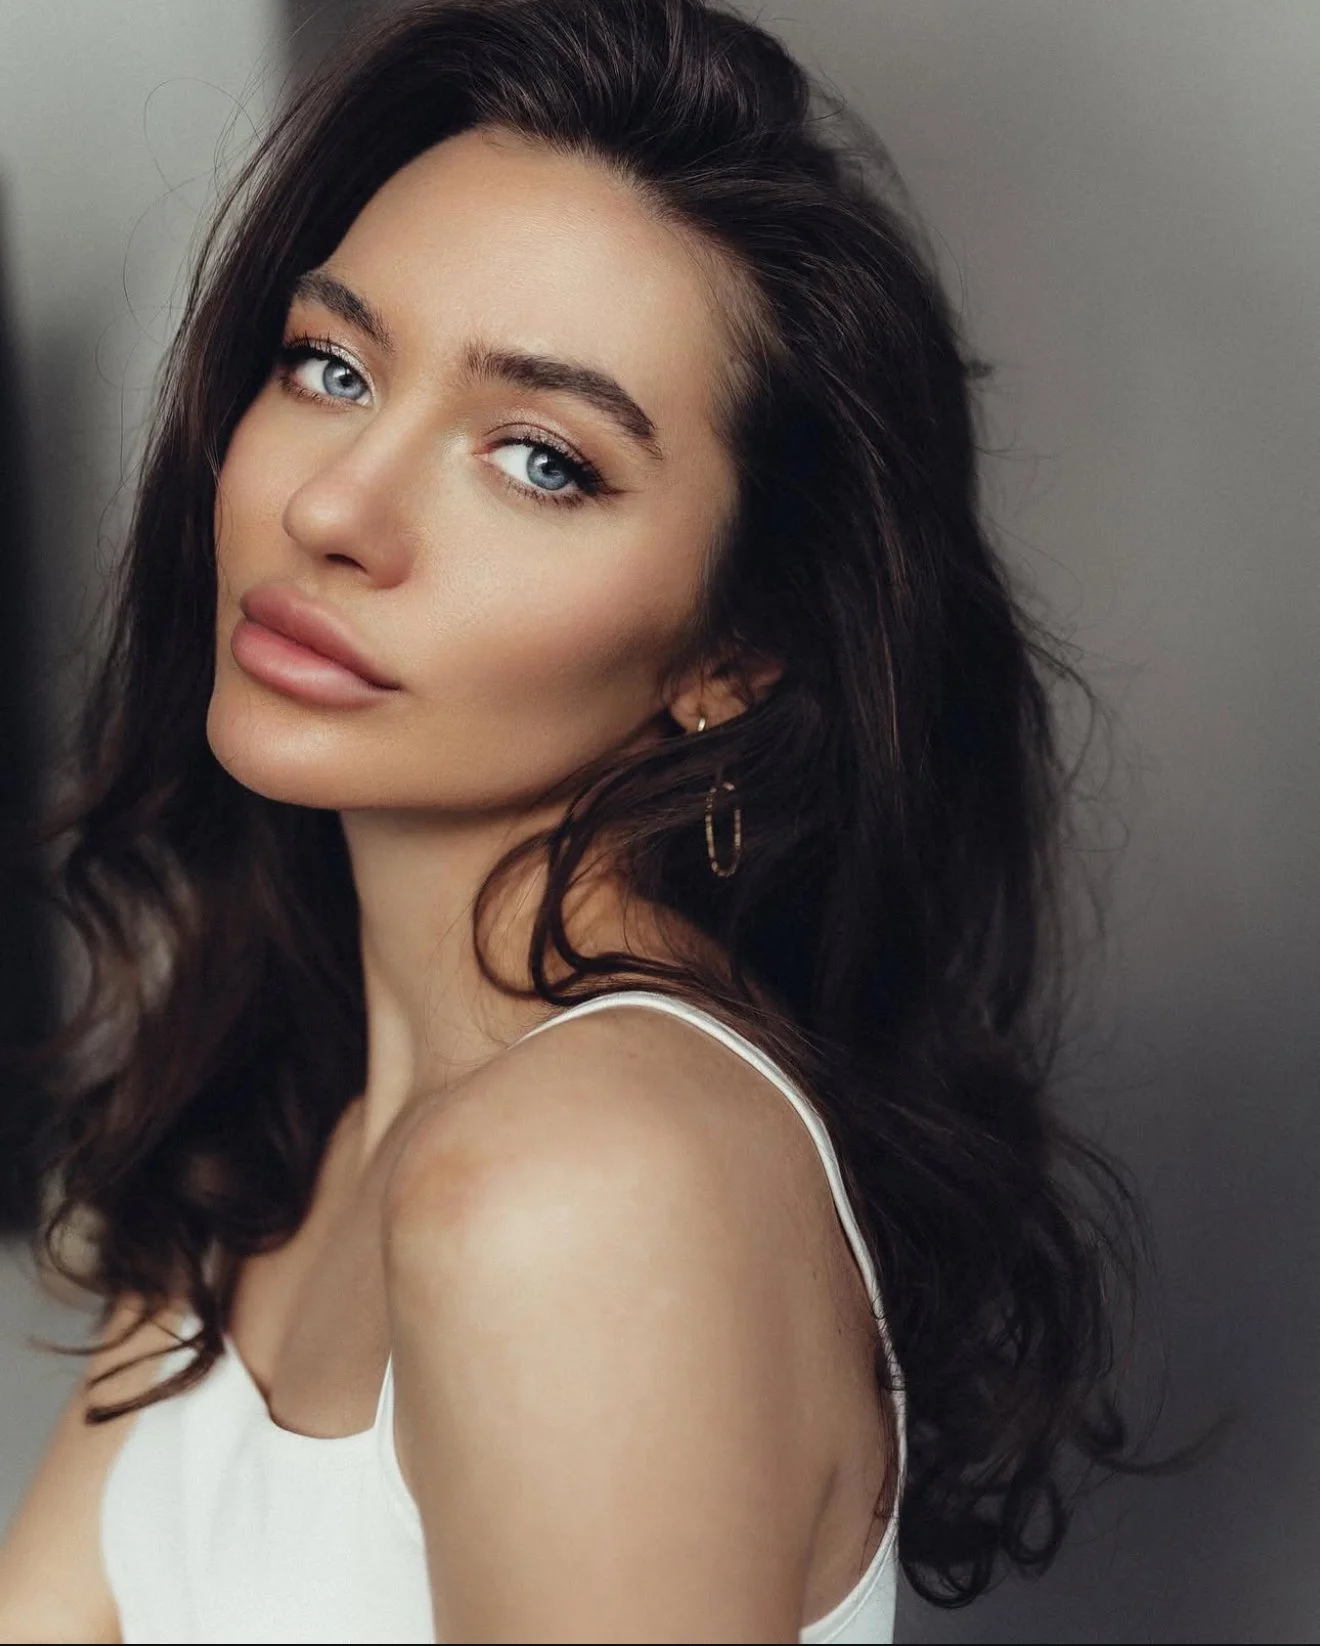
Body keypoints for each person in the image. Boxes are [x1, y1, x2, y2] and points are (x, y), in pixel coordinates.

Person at [0, 0, 1145, 1639]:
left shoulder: (584, 1184)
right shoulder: (301, 1112)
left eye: (540, 459)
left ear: (733, 654)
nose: (333, 507)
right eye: (331, 365)